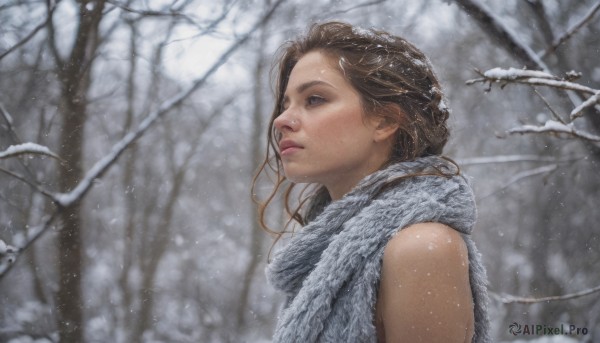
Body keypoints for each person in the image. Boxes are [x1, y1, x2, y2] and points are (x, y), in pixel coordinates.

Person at [252, 21, 490, 343]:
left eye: (315, 99)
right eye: (285, 104)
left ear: (386, 120)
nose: (282, 121)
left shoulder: (420, 249)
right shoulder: (326, 256)